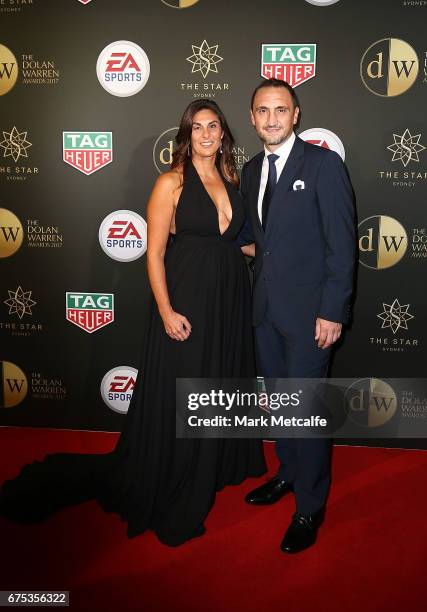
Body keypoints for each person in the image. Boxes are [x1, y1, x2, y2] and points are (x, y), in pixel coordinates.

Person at [0, 99, 266, 547]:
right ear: (187, 135)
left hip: (229, 300)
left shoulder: (232, 181)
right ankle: (180, 468)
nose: (205, 134)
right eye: (197, 127)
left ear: (223, 133)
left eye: (213, 126)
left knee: (218, 378)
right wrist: (166, 310)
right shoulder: (170, 183)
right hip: (187, 300)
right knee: (186, 383)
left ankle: (216, 460)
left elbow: (232, 245)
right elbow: (155, 252)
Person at [239, 78, 356, 554]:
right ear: (252, 118)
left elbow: (342, 246)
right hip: (265, 312)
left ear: (296, 114)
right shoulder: (250, 170)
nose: (271, 119)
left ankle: (310, 505)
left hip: (311, 318)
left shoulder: (324, 165)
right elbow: (254, 238)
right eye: (263, 111)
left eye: (280, 110)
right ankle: (287, 473)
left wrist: (333, 311)